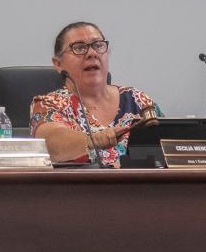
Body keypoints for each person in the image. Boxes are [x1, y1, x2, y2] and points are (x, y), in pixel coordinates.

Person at [30, 22, 159, 167]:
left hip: (139, 188)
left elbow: (168, 147)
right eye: (79, 48)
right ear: (58, 64)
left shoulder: (137, 100)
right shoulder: (49, 104)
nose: (92, 53)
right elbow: (50, 145)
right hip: (77, 188)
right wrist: (96, 139)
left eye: (98, 46)